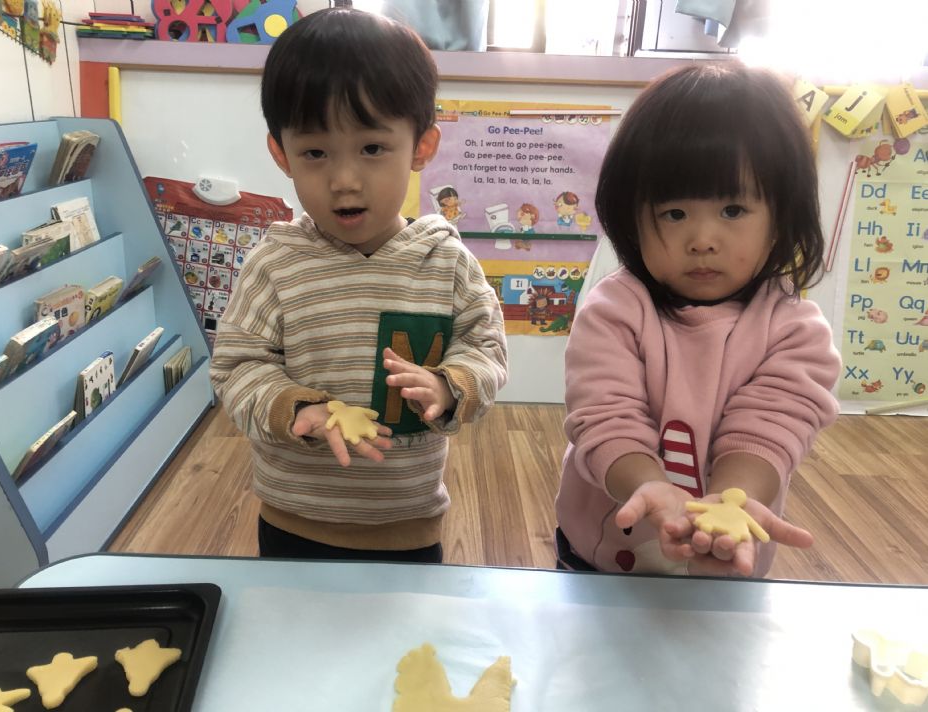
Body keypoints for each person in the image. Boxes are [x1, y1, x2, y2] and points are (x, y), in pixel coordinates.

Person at [210, 7, 507, 563]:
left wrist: (450, 386)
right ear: (281, 154)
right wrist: (294, 407)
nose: (344, 180)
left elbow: (485, 347)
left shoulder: (445, 261)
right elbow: (236, 367)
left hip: (409, 525)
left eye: (372, 148)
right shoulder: (275, 265)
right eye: (315, 153)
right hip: (294, 521)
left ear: (421, 147)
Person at [555, 61, 841, 578]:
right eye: (674, 213)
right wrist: (647, 485)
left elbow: (767, 431)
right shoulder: (613, 311)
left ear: (781, 217)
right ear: (631, 218)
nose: (703, 240)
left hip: (729, 559)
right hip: (602, 556)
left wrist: (730, 506)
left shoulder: (794, 331)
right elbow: (605, 417)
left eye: (733, 210)